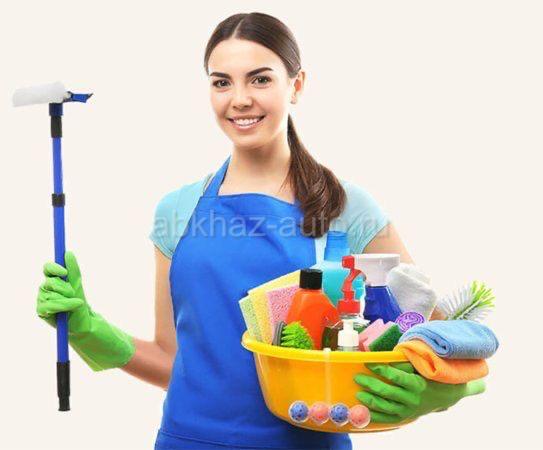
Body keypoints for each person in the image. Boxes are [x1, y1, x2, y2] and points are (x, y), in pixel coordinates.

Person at [36, 12, 483, 450]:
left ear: (297, 85)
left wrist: (440, 390)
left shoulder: (346, 206)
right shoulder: (178, 210)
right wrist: (88, 329)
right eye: (222, 82)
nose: (240, 99)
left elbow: (437, 333)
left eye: (260, 79)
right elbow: (173, 361)